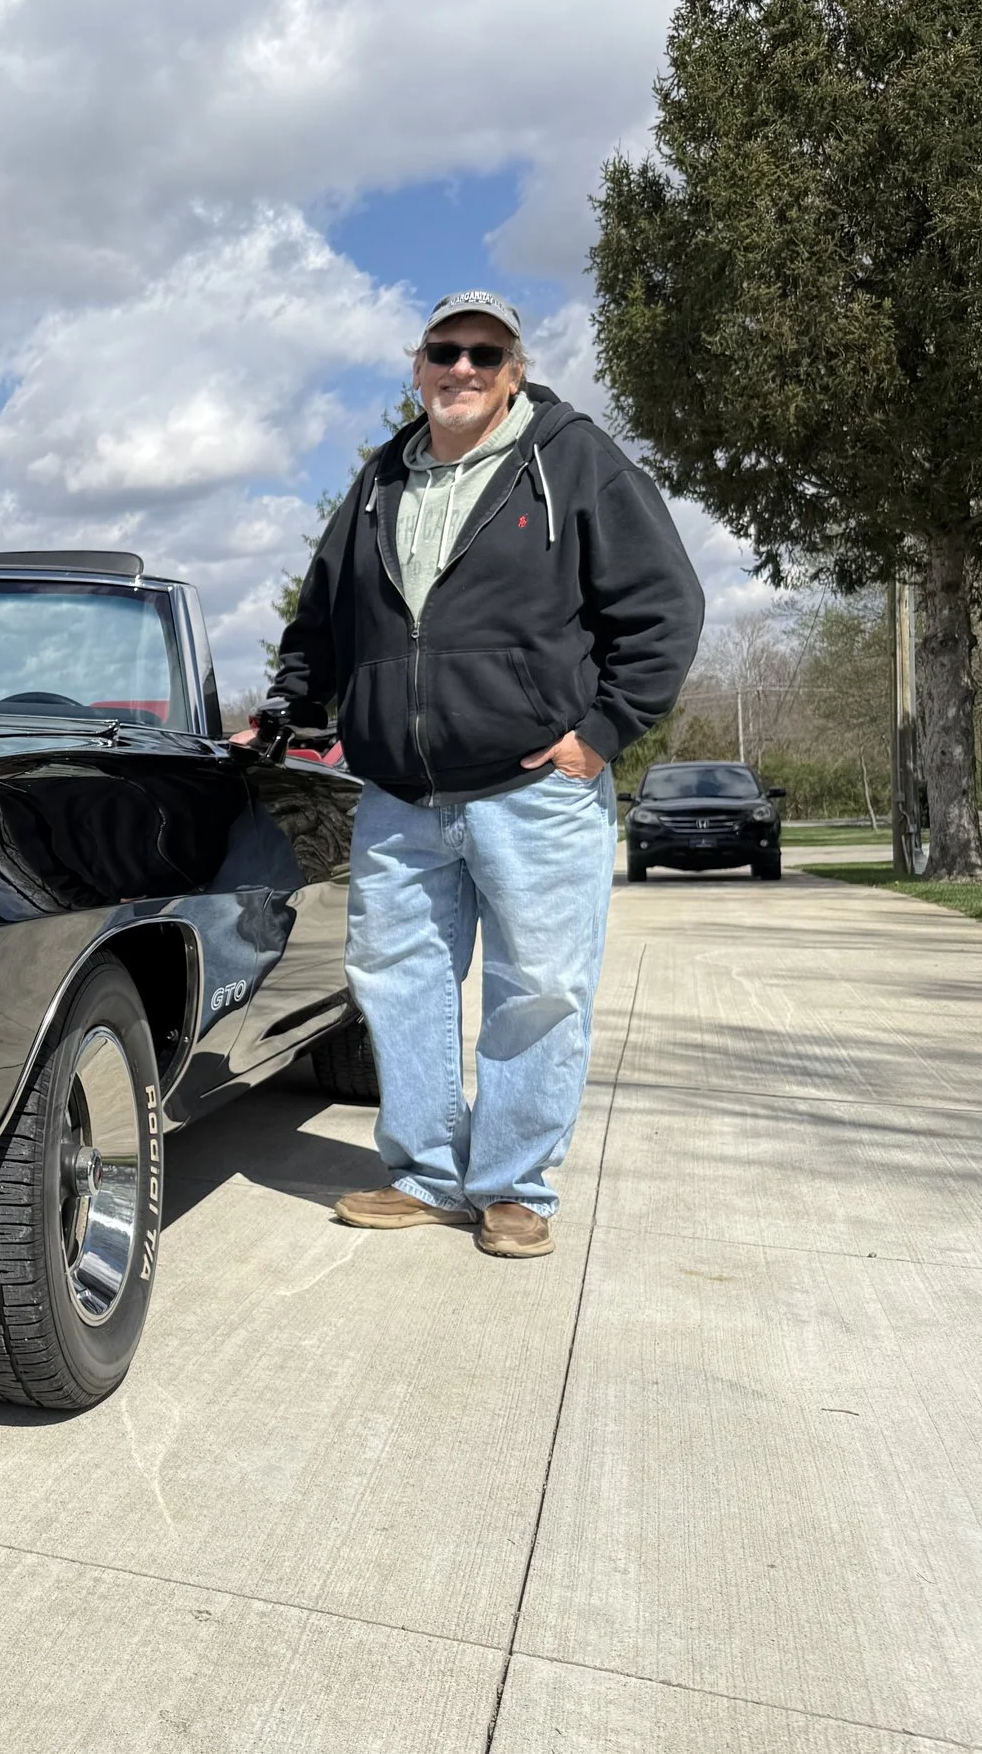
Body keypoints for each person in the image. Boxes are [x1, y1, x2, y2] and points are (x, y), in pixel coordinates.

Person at [253, 292, 702, 1257]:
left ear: (514, 370)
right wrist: (296, 705)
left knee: (537, 987)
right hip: (400, 796)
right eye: (445, 352)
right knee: (398, 983)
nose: (463, 369)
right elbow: (321, 620)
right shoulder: (380, 481)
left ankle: (513, 1186)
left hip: (534, 787)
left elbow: (663, 606)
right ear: (417, 366)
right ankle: (425, 1174)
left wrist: (603, 730)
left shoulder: (572, 458)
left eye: (484, 355)